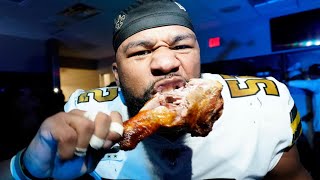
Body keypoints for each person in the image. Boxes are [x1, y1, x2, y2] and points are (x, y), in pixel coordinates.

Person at [0, 0, 313, 179]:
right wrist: (30, 167)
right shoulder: (85, 114)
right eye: (140, 52)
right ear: (116, 75)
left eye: (181, 46)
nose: (166, 62)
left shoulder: (263, 105)